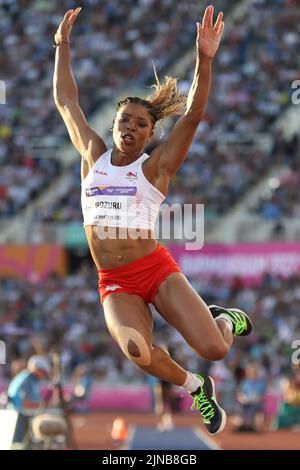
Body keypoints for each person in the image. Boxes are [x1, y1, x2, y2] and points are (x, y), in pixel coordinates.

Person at [53, 5, 253, 435]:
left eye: (141, 124)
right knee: (135, 349)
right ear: (113, 124)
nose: (130, 127)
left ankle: (225, 320)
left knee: (215, 348)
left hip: (155, 270)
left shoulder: (154, 168)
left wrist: (204, 57)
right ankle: (196, 386)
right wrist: (62, 44)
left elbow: (194, 115)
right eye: (124, 119)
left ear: (150, 135)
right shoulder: (92, 157)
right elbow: (66, 100)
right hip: (115, 280)